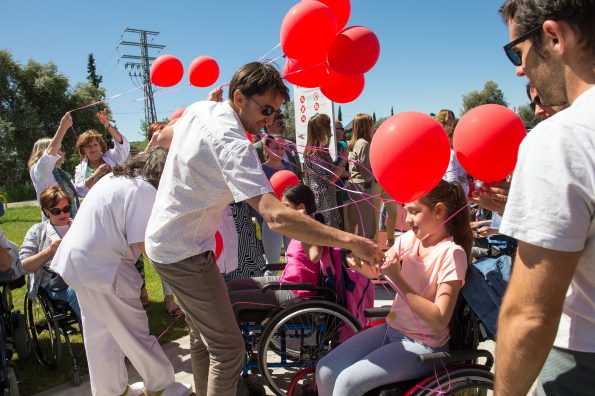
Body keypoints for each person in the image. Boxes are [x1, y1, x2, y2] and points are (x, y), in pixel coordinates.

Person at [147, 62, 383, 396]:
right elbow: (274, 216)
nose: (270, 121)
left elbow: (167, 134)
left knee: (204, 338)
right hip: (182, 250)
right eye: (266, 109)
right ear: (239, 98)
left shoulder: (203, 109)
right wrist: (351, 240)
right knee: (228, 350)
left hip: (174, 242)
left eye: (276, 112)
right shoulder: (233, 143)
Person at [496, 1, 595, 395]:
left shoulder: (563, 138)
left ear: (553, 37)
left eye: (516, 52)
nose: (520, 69)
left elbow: (530, 317)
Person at [50, 149, 191, 396]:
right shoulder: (144, 190)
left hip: (77, 263)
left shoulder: (113, 179)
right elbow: (149, 247)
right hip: (106, 267)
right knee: (134, 331)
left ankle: (110, 391)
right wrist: (184, 286)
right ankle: (163, 387)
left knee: (100, 335)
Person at [316, 180, 472, 395]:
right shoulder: (409, 240)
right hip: (393, 330)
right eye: (406, 211)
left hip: (425, 345)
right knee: (325, 370)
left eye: (414, 212)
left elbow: (440, 319)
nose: (407, 220)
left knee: (347, 383)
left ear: (438, 211)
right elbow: (379, 270)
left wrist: (397, 279)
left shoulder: (452, 254)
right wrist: (362, 265)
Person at [227, 184, 324, 318]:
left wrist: (304, 226)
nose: (282, 211)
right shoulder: (297, 227)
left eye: (286, 206)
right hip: (286, 281)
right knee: (231, 285)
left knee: (232, 300)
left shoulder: (314, 229)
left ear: (301, 207)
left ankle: (230, 338)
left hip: (298, 292)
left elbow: (315, 256)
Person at [19, 186, 81, 320]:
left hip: (84, 276)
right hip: (56, 285)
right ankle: (97, 330)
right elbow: (23, 266)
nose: (63, 214)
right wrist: (49, 251)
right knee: (77, 292)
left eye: (66, 209)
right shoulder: (37, 232)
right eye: (56, 211)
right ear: (46, 211)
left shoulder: (79, 226)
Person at [28, 112, 80, 219]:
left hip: (70, 221)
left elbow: (78, 191)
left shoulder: (61, 173)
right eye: (61, 149)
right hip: (55, 224)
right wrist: (63, 127)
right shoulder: (40, 171)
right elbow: (48, 156)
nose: (64, 153)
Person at [303, 113, 347, 230]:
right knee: (325, 239)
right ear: (321, 130)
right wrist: (343, 160)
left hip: (327, 201)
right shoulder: (314, 155)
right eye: (328, 127)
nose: (331, 133)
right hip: (321, 205)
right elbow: (331, 178)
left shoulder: (321, 152)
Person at [73, 108, 130, 197]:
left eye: (95, 144)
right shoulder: (80, 168)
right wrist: (96, 174)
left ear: (101, 146)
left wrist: (107, 125)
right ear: (83, 149)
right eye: (88, 146)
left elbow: (122, 145)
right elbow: (79, 192)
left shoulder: (112, 157)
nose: (93, 148)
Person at [260, 135, 297, 264]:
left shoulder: (288, 166)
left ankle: (290, 283)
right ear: (266, 149)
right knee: (272, 263)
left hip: (290, 217)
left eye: (282, 148)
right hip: (272, 219)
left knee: (293, 259)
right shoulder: (261, 170)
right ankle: (271, 284)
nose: (280, 151)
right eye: (276, 147)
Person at [346, 113, 380, 240]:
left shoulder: (357, 143)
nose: (373, 126)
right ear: (366, 126)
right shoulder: (364, 144)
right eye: (371, 124)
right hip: (363, 189)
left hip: (357, 187)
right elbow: (366, 172)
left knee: (355, 225)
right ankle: (362, 258)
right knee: (367, 229)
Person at [437, 109, 469, 196]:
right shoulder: (450, 153)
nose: (452, 120)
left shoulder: (455, 149)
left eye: (453, 117)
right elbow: (452, 180)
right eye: (450, 118)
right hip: (456, 196)